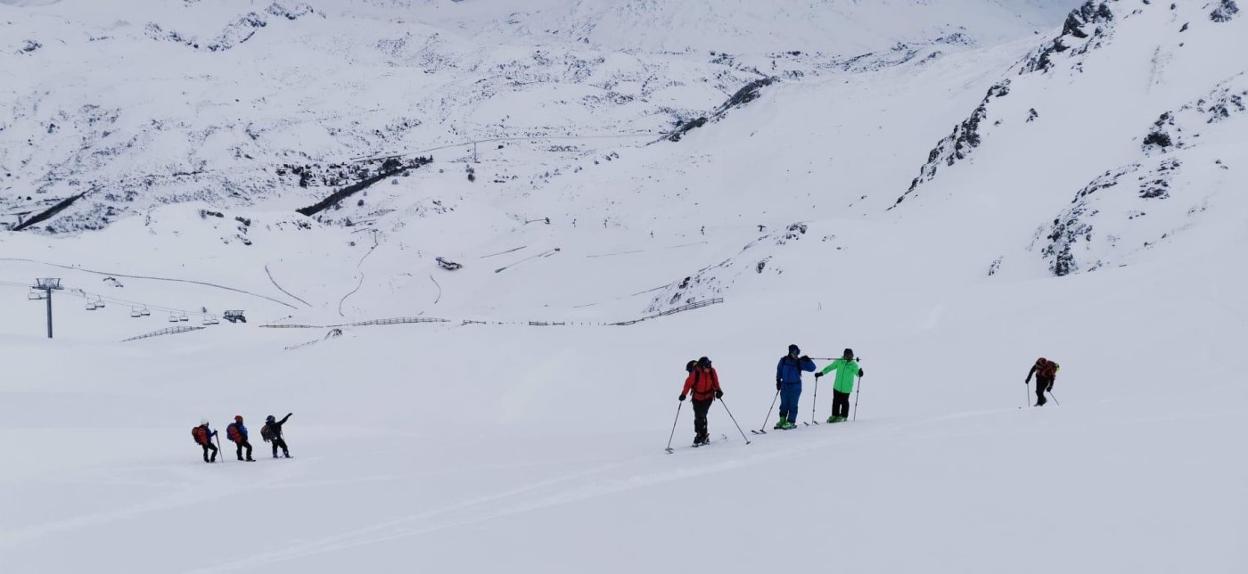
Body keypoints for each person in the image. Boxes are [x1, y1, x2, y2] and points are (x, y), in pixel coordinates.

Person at [679, 357, 722, 445]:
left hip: (708, 397)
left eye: (709, 366)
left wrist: (719, 390)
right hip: (696, 398)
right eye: (706, 367)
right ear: (702, 366)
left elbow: (715, 382)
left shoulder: (712, 371)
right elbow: (688, 384)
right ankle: (700, 434)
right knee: (698, 416)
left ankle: (702, 435)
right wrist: (683, 394)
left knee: (702, 415)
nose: (708, 368)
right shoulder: (696, 373)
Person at [815, 348, 864, 423]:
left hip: (846, 388)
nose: (848, 357)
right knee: (836, 402)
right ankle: (835, 415)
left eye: (850, 355)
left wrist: (860, 373)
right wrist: (821, 373)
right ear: (844, 355)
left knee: (844, 402)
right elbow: (830, 367)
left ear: (852, 355)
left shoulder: (853, 365)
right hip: (837, 386)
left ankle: (844, 416)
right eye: (846, 355)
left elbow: (857, 373)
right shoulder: (839, 361)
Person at [775, 344, 815, 430]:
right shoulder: (783, 360)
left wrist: (808, 360)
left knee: (793, 405)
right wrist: (778, 381)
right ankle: (782, 420)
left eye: (796, 352)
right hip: (785, 386)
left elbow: (812, 368)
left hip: (795, 387)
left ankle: (791, 422)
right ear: (789, 352)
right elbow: (779, 370)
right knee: (784, 404)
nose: (794, 354)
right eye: (793, 352)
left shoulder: (799, 362)